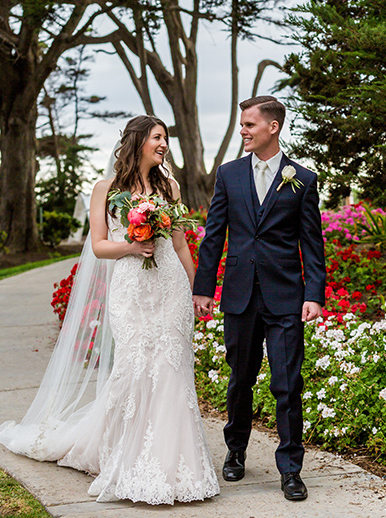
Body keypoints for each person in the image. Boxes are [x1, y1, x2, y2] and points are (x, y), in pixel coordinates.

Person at [0, 115, 219, 505]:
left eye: (166, 137)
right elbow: (100, 245)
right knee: (134, 366)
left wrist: (198, 289)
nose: (164, 143)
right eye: (157, 137)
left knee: (172, 366)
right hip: (132, 288)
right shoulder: (106, 188)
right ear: (137, 141)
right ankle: (125, 452)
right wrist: (132, 247)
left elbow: (183, 244)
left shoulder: (170, 186)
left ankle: (177, 463)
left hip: (169, 285)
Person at [193, 96, 326, 502]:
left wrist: (314, 294)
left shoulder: (301, 178)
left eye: (250, 124)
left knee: (287, 384)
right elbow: (215, 234)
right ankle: (235, 451)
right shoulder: (229, 175)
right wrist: (203, 287)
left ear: (273, 127)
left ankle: (290, 469)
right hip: (238, 295)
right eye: (241, 124)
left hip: (285, 297)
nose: (243, 131)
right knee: (240, 380)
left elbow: (312, 243)